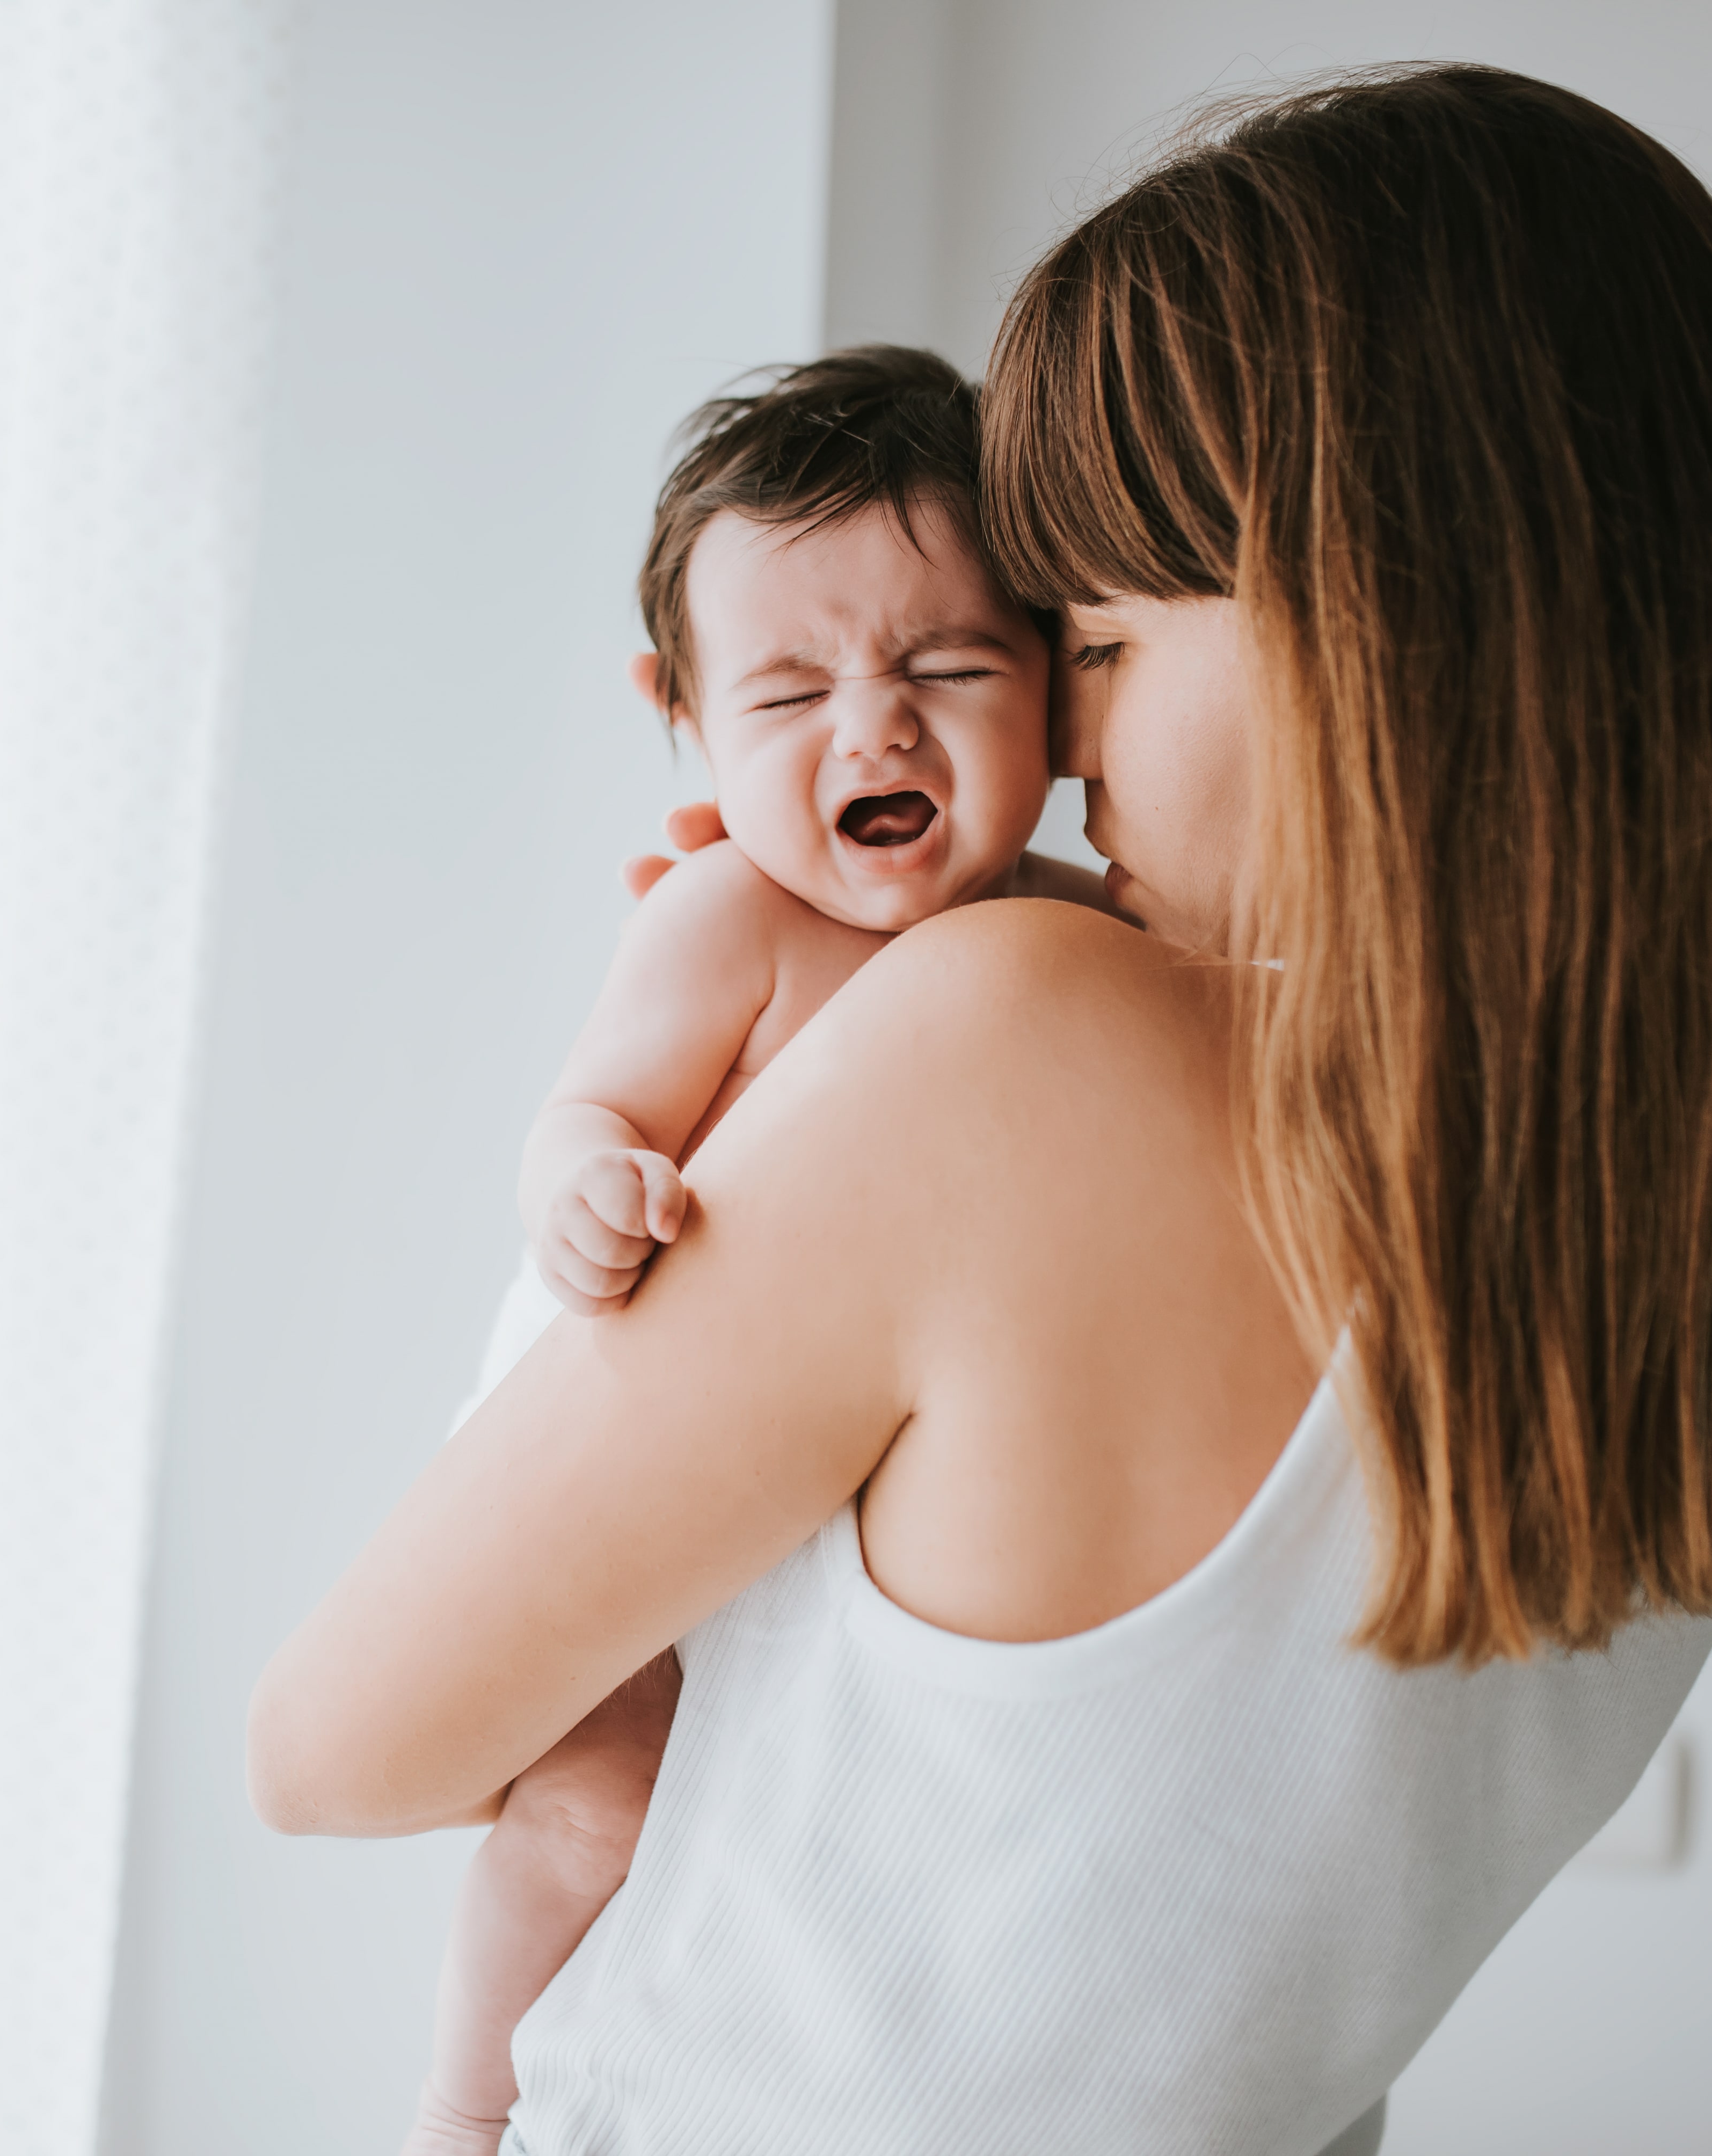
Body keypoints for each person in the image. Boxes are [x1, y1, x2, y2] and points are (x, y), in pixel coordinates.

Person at [254, 61, 1712, 2156]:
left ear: (1376, 627)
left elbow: (335, 1742)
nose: (1064, 748)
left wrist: (852, 1046)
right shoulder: (1708, 1219)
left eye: (1108, 640)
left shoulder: (1022, 1039)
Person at [420, 346, 1110, 2153]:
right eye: (792, 688)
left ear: (1057, 685)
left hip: (841, 1502)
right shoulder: (735, 918)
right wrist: (589, 1184)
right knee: (589, 1812)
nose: (874, 727)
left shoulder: (1083, 936)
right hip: (621, 1428)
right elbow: (589, 1113)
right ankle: (466, 2111)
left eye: (949, 667)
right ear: (687, 717)